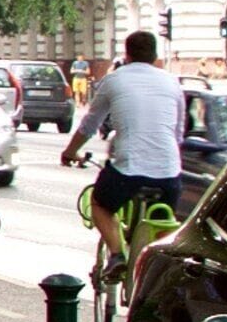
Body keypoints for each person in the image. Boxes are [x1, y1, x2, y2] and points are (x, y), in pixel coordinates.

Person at [62, 29, 185, 257]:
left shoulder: (114, 80)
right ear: (154, 55)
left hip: (128, 171)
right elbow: (178, 134)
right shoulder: (172, 82)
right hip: (169, 173)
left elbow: (90, 125)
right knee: (163, 224)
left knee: (100, 205)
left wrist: (70, 152)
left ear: (127, 55)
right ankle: (155, 267)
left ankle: (117, 254)